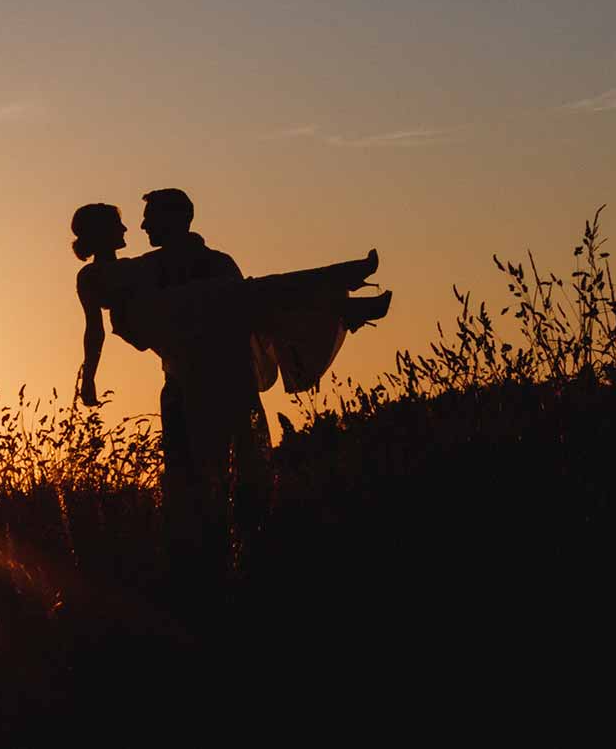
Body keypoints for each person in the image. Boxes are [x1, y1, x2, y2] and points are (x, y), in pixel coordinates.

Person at [72, 189, 387, 586]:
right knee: (245, 294)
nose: (137, 226)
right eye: (121, 224)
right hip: (177, 339)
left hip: (200, 346)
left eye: (149, 218)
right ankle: (339, 294)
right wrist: (89, 376)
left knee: (244, 296)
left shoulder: (166, 266)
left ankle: (340, 296)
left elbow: (250, 317)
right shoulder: (130, 270)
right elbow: (96, 330)